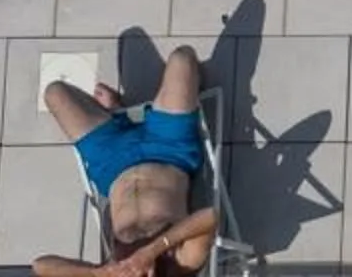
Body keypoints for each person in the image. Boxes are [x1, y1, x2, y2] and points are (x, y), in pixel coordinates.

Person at [35, 47, 220, 277]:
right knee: (182, 59)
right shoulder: (179, 266)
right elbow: (211, 217)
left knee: (55, 92)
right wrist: (151, 251)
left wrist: (99, 273)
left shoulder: (112, 274)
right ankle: (139, 107)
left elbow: (41, 266)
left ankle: (114, 111)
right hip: (170, 151)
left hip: (110, 162)